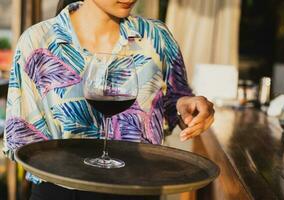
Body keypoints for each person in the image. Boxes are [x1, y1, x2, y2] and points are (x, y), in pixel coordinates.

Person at [3, 0, 215, 199]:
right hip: (63, 194)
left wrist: (185, 106)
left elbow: (175, 99)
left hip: (140, 191)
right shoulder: (38, 40)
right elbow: (20, 138)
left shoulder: (157, 36)